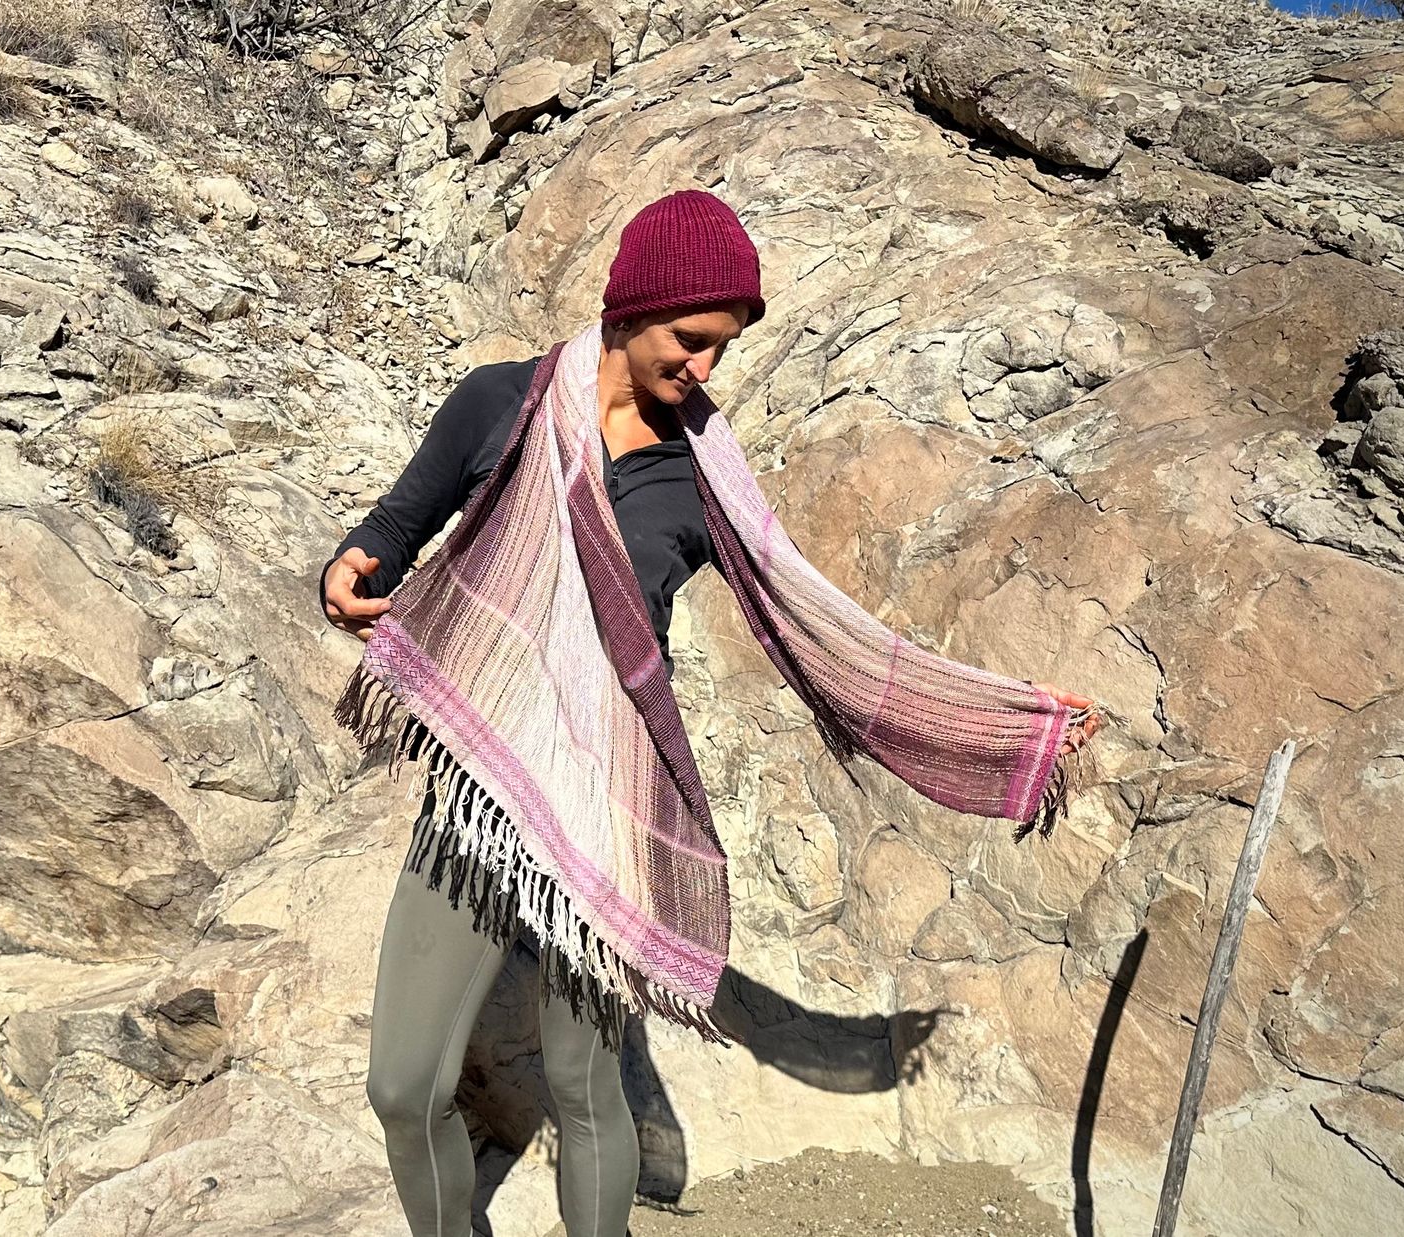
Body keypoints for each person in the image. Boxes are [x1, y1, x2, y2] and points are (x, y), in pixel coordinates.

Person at [317, 190, 1104, 1237]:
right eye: (690, 341)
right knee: (402, 1087)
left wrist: (1002, 718)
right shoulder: (498, 405)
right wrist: (349, 565)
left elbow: (824, 637)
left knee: (585, 1088)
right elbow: (395, 523)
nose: (703, 370)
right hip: (479, 788)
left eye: (720, 350)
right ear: (630, 309)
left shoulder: (700, 479)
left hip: (607, 798)